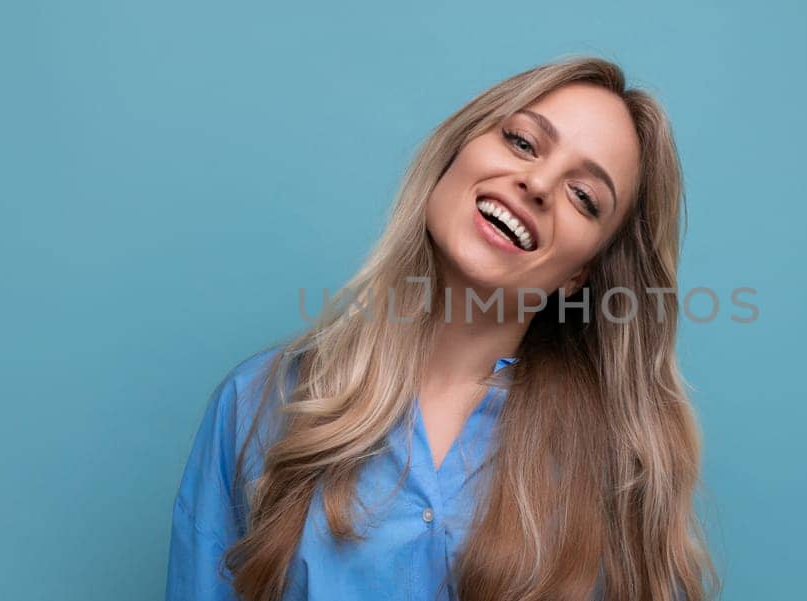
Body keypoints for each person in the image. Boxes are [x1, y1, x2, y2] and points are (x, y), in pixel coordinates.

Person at [166, 55, 718, 601]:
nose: (538, 182)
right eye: (523, 142)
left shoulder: (619, 469)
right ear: (457, 152)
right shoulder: (256, 406)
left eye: (584, 197)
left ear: (580, 273)